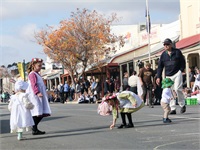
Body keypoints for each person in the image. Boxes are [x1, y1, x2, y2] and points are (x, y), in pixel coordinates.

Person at [156, 38, 186, 114]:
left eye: (167, 44)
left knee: (177, 88)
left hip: (177, 73)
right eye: (164, 45)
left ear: (171, 44)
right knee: (170, 91)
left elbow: (183, 61)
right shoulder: (163, 55)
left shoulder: (177, 52)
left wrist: (181, 70)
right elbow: (160, 66)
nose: (166, 46)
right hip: (168, 75)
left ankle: (182, 104)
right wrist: (158, 77)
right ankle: (173, 108)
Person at [26, 58, 51, 135]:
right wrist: (37, 92)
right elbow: (33, 84)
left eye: (41, 66)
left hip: (39, 95)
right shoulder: (32, 74)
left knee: (40, 111)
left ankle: (34, 128)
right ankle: (34, 127)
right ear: (33, 65)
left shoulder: (37, 74)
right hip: (35, 96)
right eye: (39, 66)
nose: (40, 67)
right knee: (38, 111)